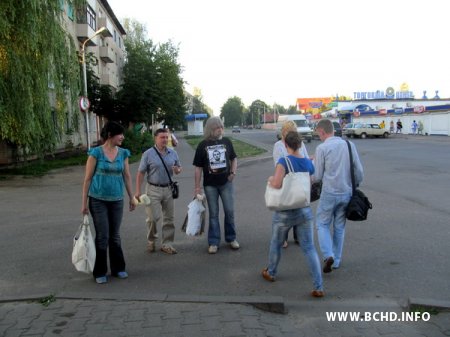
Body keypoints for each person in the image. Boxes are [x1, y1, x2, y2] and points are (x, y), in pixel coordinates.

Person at [262, 131, 324, 298]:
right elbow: (311, 179)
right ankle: (318, 286)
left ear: (285, 144)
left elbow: (276, 184)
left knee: (276, 243)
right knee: (309, 248)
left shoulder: (283, 161)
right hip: (304, 209)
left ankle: (272, 272)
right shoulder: (306, 162)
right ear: (300, 144)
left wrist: (270, 179)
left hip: (284, 211)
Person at [81, 121, 135, 284]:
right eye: (120, 134)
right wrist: (84, 204)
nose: (123, 137)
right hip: (98, 200)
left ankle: (118, 268)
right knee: (103, 236)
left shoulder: (123, 153)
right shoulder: (96, 153)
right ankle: (100, 272)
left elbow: (127, 176)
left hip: (117, 200)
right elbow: (87, 179)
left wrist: (132, 197)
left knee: (115, 236)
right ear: (110, 135)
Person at [313, 119, 363, 273]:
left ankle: (328, 255)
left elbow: (318, 176)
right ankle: (336, 261)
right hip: (346, 192)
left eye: (318, 134)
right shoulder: (349, 145)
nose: (319, 137)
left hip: (329, 192)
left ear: (322, 132)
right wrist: (356, 185)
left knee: (322, 224)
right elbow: (359, 171)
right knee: (339, 226)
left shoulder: (322, 148)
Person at [193, 116, 239, 254]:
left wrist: (233, 173)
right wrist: (197, 187)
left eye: (221, 127)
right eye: (217, 128)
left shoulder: (226, 142)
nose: (220, 130)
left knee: (229, 212)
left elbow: (234, 158)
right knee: (213, 214)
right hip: (210, 185)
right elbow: (198, 167)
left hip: (226, 183)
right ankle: (213, 242)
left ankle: (231, 238)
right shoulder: (202, 145)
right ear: (210, 129)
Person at [135, 128, 182, 255]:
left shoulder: (173, 153)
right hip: (153, 189)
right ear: (155, 138)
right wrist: (137, 191)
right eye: (162, 137)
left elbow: (178, 168)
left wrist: (177, 170)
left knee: (169, 219)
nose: (165, 140)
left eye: (167, 137)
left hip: (168, 189)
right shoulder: (148, 154)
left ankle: (167, 244)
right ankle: (151, 240)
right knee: (152, 218)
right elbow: (141, 173)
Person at [273, 120, 309, 248]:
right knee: (286, 210)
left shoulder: (300, 143)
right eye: (290, 131)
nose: (293, 134)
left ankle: (298, 236)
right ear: (284, 132)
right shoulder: (278, 145)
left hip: (299, 181)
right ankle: (282, 238)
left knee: (298, 207)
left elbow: (304, 157)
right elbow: (278, 163)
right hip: (286, 181)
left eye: (294, 131)